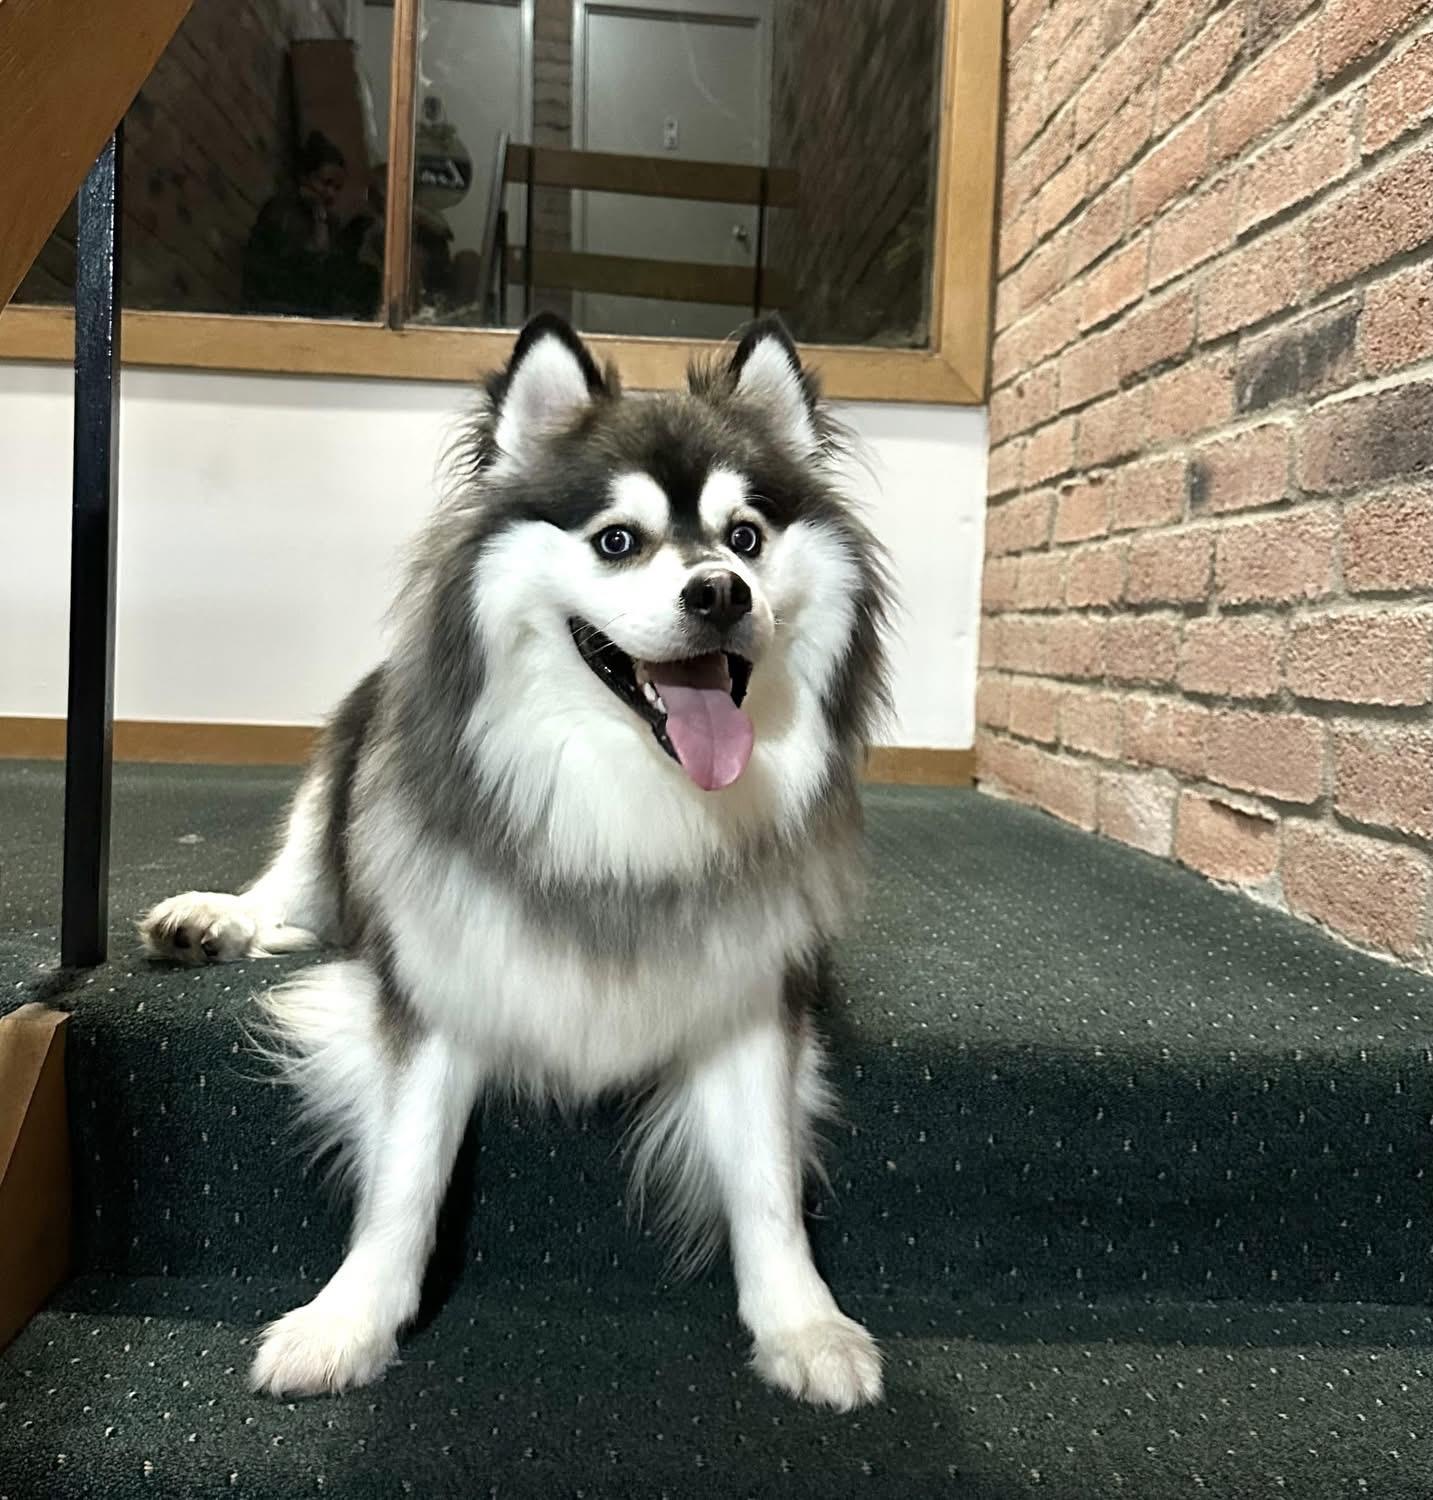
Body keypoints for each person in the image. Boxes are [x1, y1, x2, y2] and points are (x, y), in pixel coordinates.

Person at [243, 131, 379, 318]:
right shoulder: (280, 211)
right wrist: (318, 219)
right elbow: (301, 264)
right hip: (276, 305)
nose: (330, 194)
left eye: (337, 188)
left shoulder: (329, 222)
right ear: (305, 178)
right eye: (325, 183)